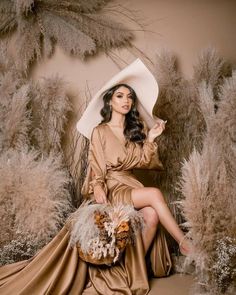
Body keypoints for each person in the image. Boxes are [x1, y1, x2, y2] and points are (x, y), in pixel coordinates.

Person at [0, 59, 190, 294]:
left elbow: (143, 162)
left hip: (130, 185)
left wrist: (150, 138)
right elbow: (96, 167)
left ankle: (129, 271)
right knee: (154, 194)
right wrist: (98, 187)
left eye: (130, 97)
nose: (126, 101)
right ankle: (184, 244)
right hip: (112, 188)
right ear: (110, 100)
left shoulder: (133, 131)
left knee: (151, 215)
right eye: (120, 95)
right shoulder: (99, 131)